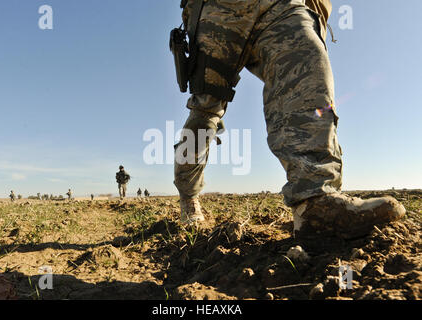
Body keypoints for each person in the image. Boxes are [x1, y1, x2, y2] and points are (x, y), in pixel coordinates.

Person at [173, 0, 405, 241]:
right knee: (205, 112)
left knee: (306, 58)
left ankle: (315, 202)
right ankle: (188, 196)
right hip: (217, 9)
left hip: (280, 5)